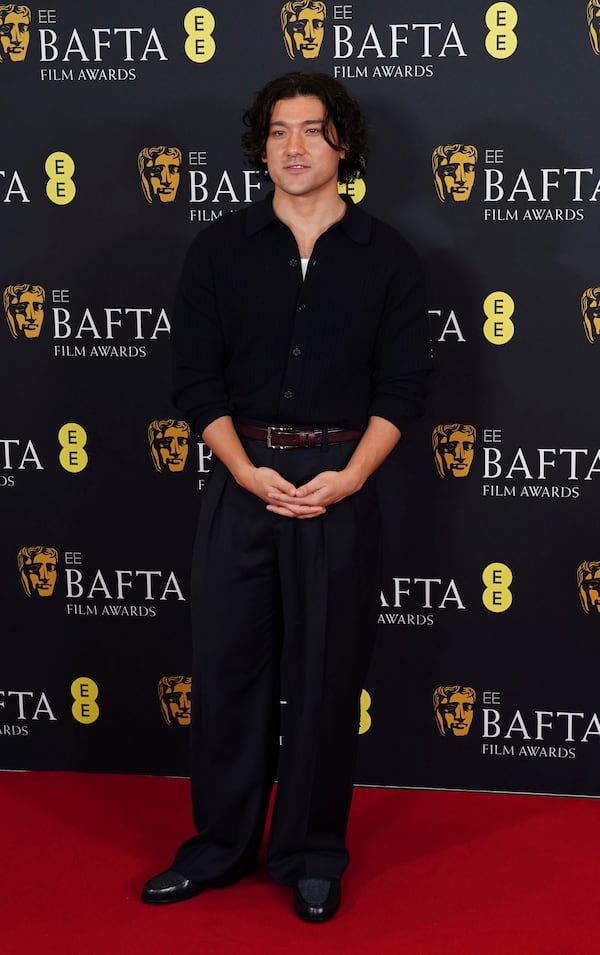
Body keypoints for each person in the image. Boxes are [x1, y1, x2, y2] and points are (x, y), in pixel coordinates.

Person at [141, 71, 430, 922]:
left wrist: (352, 476)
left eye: (312, 130)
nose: (294, 147)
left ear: (344, 145)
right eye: (278, 132)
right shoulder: (218, 250)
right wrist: (242, 468)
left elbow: (406, 385)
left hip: (343, 484)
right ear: (259, 145)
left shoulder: (390, 257)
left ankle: (309, 851)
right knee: (228, 673)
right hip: (243, 485)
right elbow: (194, 383)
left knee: (326, 678)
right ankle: (220, 846)